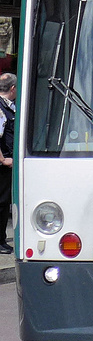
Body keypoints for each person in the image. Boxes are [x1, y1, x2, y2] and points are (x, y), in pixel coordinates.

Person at [0, 74, 14, 252]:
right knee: (1, 203)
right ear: (13, 89)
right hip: (2, 165)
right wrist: (3, 160)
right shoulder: (2, 109)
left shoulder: (8, 107)